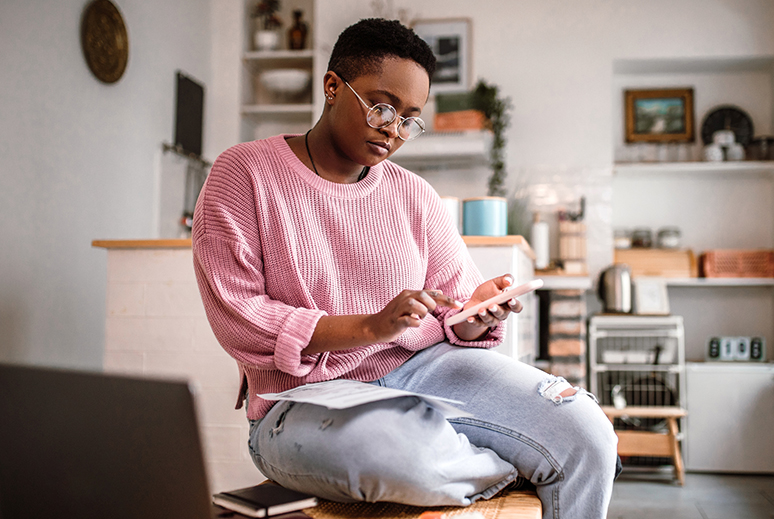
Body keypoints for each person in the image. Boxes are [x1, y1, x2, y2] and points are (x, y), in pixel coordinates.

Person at [192, 17, 619, 519]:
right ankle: (512, 462)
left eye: (409, 118)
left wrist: (475, 314)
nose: (393, 130)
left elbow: (454, 308)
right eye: (381, 107)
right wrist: (370, 327)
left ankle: (482, 455)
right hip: (302, 400)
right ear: (332, 87)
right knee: (391, 454)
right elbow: (238, 317)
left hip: (427, 372)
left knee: (588, 434)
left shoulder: (412, 193)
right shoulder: (242, 173)